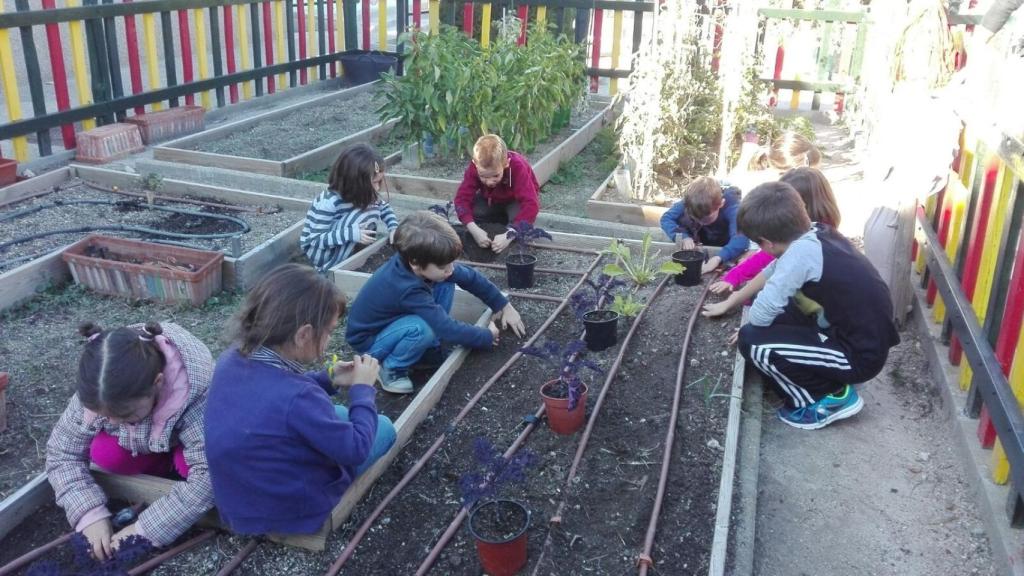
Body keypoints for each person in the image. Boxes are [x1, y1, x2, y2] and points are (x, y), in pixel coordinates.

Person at [205, 263, 396, 536]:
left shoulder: (232, 357)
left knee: (336, 414)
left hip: (238, 503)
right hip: (289, 512)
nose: (330, 339)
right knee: (384, 427)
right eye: (329, 331)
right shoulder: (300, 397)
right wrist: (363, 390)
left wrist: (328, 379)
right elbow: (356, 449)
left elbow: (273, 397)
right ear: (303, 334)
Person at [711, 182, 899, 430]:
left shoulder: (800, 255)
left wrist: (754, 328)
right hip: (853, 334)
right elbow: (773, 270)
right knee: (777, 315)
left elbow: (760, 316)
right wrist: (732, 301)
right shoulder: (815, 232)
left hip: (860, 357)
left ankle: (822, 399)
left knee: (753, 342)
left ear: (766, 243)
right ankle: (824, 374)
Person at [46, 321, 215, 560]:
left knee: (200, 468)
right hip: (146, 440)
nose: (113, 423)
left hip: (190, 440)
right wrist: (89, 513)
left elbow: (209, 476)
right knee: (105, 453)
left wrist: (143, 530)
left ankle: (174, 463)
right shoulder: (99, 387)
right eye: (105, 416)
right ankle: (162, 465)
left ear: (157, 384)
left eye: (125, 415)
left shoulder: (195, 392)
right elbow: (62, 451)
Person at [346, 211, 526, 393]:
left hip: (394, 324)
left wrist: (503, 305)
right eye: (443, 266)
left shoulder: (422, 264)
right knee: (424, 327)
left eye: (451, 263)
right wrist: (485, 336)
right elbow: (446, 328)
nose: (450, 270)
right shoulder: (407, 287)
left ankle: (429, 350)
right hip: (370, 343)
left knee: (444, 283)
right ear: (416, 263)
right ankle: (392, 369)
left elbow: (470, 277)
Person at [707, 167, 841, 299]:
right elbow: (768, 258)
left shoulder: (809, 240)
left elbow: (772, 265)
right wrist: (735, 276)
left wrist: (742, 292)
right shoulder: (819, 227)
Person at [300, 143, 399, 273]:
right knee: (365, 214)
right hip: (322, 253)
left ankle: (353, 255)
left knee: (373, 207)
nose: (377, 188)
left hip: (342, 241)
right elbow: (315, 240)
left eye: (379, 182)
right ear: (354, 182)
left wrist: (394, 227)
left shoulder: (364, 193)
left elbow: (384, 208)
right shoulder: (329, 203)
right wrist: (351, 234)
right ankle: (330, 270)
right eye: (374, 182)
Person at [453, 134, 541, 253]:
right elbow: (461, 199)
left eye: (495, 175)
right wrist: (473, 229)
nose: (489, 182)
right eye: (483, 176)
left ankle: (509, 228)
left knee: (521, 218)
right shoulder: (474, 168)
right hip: (492, 198)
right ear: (475, 164)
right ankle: (499, 222)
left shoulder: (517, 166)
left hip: (514, 200)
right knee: (476, 211)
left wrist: (509, 234)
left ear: (506, 164)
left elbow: (531, 204)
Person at [659, 176, 748, 275]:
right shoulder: (690, 201)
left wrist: (718, 258)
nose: (701, 223)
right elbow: (666, 218)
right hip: (700, 238)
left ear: (721, 204)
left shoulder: (732, 206)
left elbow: (741, 238)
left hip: (724, 242)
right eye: (697, 218)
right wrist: (684, 237)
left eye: (706, 219)